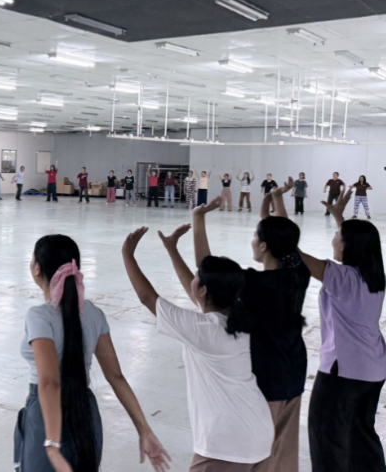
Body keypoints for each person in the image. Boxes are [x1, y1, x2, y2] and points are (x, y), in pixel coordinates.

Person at [122, 225, 272, 471]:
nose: (192, 278)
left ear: (203, 290)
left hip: (229, 443)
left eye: (197, 276)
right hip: (258, 432)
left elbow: (148, 298)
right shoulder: (236, 319)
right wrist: (172, 250)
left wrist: (127, 256)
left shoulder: (204, 330)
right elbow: (195, 292)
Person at [16, 233, 169, 472]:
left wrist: (53, 446)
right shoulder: (94, 314)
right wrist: (144, 430)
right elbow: (116, 376)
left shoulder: (39, 316)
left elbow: (50, 382)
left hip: (46, 417)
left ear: (37, 269)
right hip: (85, 414)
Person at [194, 189, 311, 472]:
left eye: (256, 236)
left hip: (269, 377)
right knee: (283, 450)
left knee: (260, 451)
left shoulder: (256, 283)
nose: (252, 241)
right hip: (295, 371)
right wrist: (273, 204)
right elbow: (286, 239)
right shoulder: (299, 273)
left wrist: (198, 219)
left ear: (264, 246)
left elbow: (207, 269)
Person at [302, 190, 386, 472]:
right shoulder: (374, 277)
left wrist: (274, 219)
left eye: (338, 235)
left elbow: (296, 254)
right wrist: (339, 217)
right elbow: (354, 245)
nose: (333, 239)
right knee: (362, 437)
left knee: (327, 437)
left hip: (343, 372)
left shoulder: (341, 277)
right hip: (373, 368)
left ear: (350, 245)